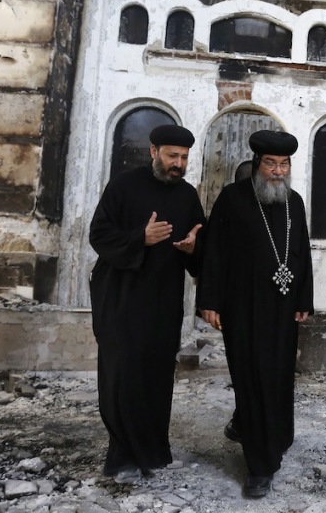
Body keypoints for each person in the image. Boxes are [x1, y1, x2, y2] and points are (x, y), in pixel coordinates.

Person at [197, 130, 313, 499]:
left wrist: (304, 299)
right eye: (271, 164)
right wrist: (210, 301)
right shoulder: (232, 199)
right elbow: (214, 252)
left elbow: (303, 253)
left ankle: (263, 430)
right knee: (251, 374)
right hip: (242, 305)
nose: (278, 171)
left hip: (282, 306)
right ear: (256, 165)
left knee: (277, 374)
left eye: (284, 165)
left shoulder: (295, 202)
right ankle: (259, 467)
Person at [88, 124, 205, 483]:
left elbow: (201, 246)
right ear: (153, 152)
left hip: (163, 302)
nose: (178, 164)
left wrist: (193, 248)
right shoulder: (123, 185)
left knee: (156, 375)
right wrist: (141, 237)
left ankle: (154, 450)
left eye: (184, 158)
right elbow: (99, 234)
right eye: (172, 156)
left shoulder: (187, 195)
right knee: (122, 376)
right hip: (120, 299)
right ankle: (121, 455)